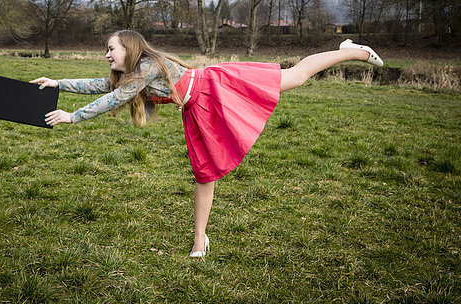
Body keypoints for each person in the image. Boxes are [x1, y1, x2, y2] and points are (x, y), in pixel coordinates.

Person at [30, 30, 383, 258]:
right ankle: (201, 240)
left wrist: (72, 117)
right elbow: (101, 87)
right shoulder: (135, 73)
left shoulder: (149, 65)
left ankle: (350, 52)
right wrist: (57, 81)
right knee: (205, 173)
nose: (106, 55)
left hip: (215, 88)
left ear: (129, 47)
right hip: (196, 109)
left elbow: (115, 98)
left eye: (111, 49)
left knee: (294, 77)